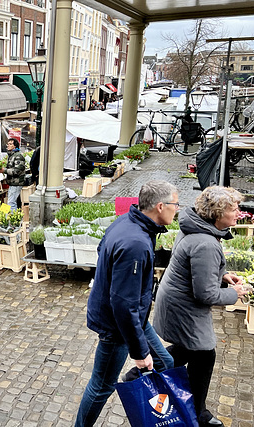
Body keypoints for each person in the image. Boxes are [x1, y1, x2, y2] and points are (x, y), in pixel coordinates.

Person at [75, 180, 180, 427]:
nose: (178, 209)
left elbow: (103, 250)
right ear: (160, 206)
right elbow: (122, 304)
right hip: (118, 326)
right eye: (176, 204)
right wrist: (140, 352)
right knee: (101, 386)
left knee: (166, 363)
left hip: (133, 319)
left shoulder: (128, 221)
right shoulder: (136, 243)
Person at [153, 186, 248, 426]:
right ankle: (197, 413)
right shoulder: (206, 243)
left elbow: (193, 266)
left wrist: (222, 275)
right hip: (183, 307)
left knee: (192, 349)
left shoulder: (195, 226)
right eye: (233, 209)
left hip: (175, 301)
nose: (239, 213)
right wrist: (233, 294)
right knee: (205, 353)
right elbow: (205, 294)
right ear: (217, 214)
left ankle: (146, 371)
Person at [2, 138, 26, 212]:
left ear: (15, 146)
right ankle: (10, 219)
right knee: (12, 201)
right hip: (12, 182)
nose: (8, 145)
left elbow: (17, 171)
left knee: (11, 202)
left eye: (10, 144)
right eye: (8, 144)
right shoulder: (12, 155)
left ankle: (13, 221)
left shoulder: (18, 156)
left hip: (16, 183)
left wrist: (4, 170)